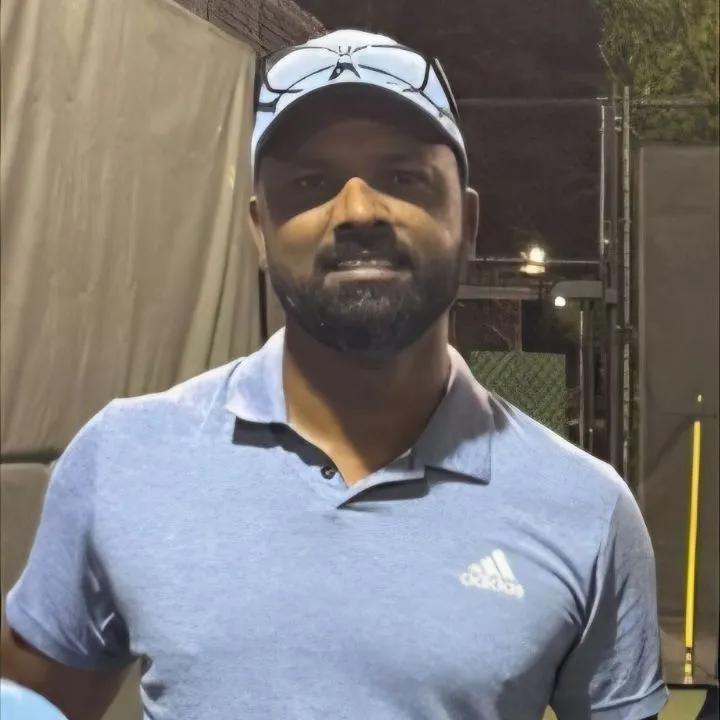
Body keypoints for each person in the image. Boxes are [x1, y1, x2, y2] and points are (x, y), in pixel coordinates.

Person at [1, 28, 668, 720]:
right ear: (259, 230)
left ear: (468, 223)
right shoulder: (123, 459)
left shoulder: (586, 511)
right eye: (309, 183)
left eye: (404, 177)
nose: (357, 211)